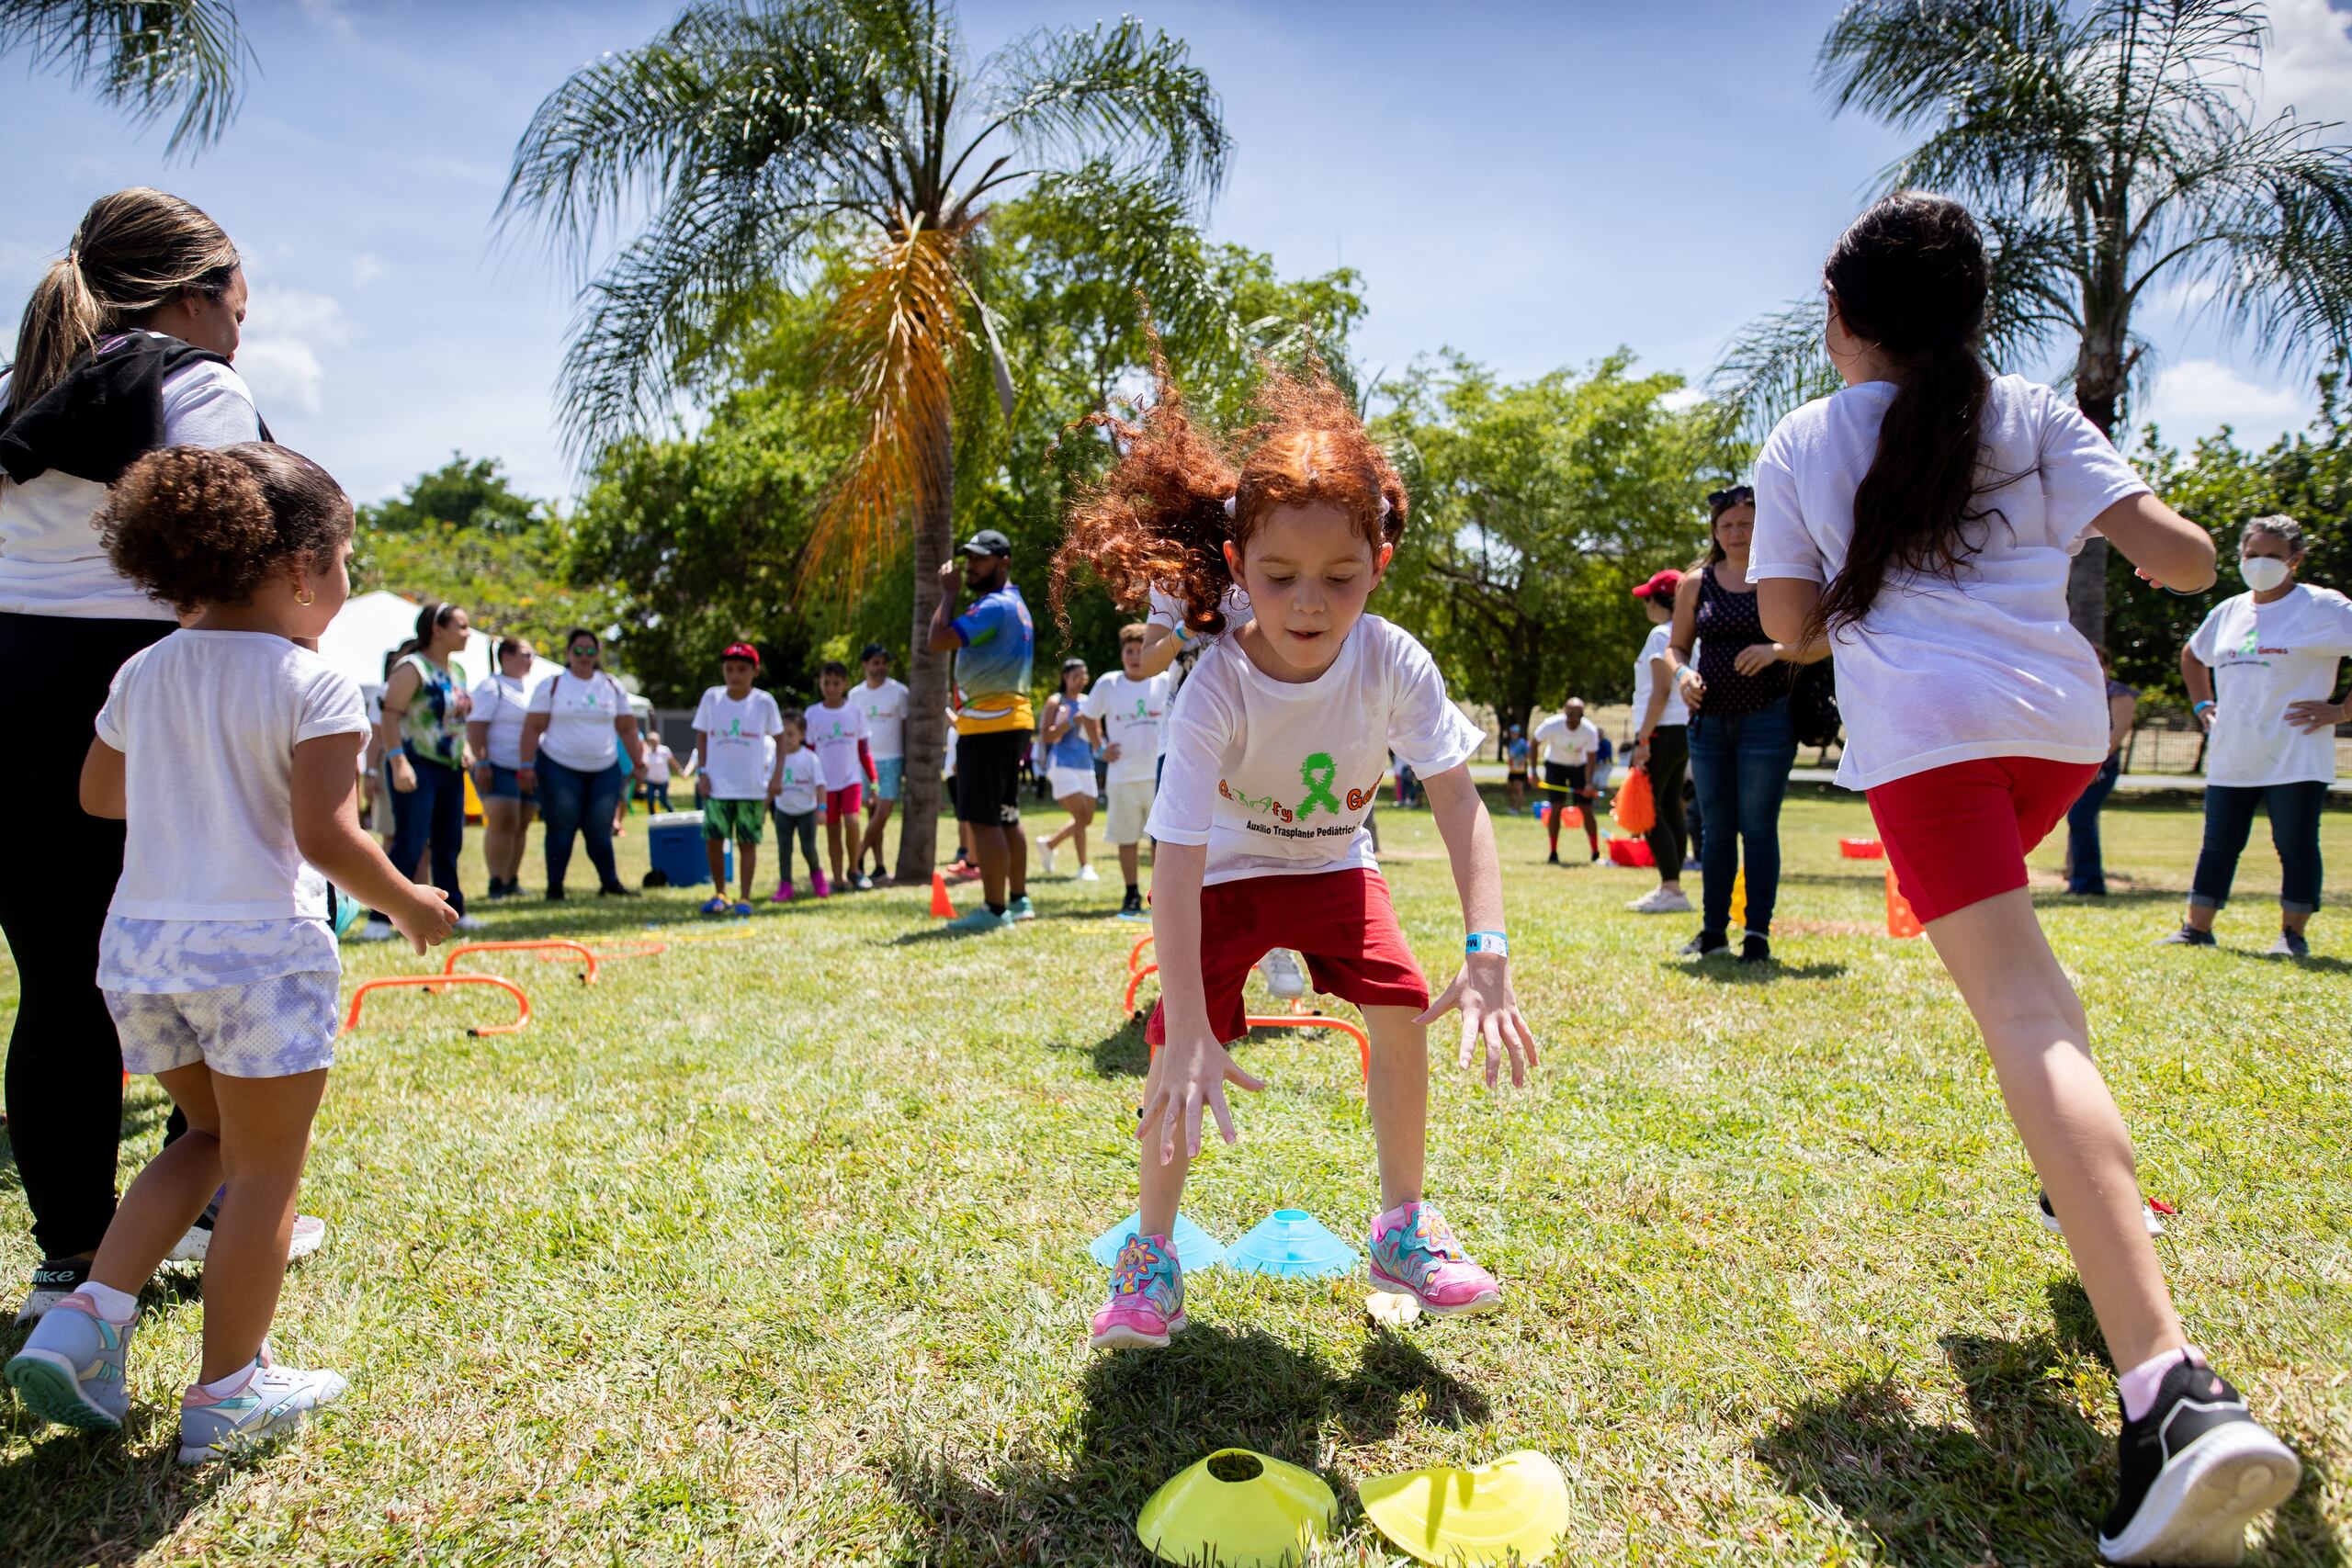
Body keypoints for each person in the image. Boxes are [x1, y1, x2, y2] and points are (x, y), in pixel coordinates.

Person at [1749, 190, 2299, 1562]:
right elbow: (2177, 558)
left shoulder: (1809, 436)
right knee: (2040, 995)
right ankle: (2083, 1185)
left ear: (1845, 322)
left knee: (2028, 1015)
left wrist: (1859, 590)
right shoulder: (2038, 410)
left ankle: (2170, 1389)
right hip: (2057, 739)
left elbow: (1790, 625)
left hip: (1931, 747)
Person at [1053, 343, 1538, 1351]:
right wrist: (1187, 1022)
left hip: (1330, 864)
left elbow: (1460, 803)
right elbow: (1177, 865)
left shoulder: (1394, 661)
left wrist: (1486, 951)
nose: (1309, 603)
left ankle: (1401, 1228)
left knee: (1399, 1006)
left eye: (1339, 576)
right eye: (1278, 576)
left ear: (1380, 566)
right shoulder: (1216, 688)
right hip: (1228, 869)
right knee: (1172, 1054)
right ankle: (1151, 1262)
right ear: (1234, 571)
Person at [3, 443, 458, 1459]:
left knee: (204, 1140)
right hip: (256, 955)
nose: (342, 586)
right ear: (299, 568)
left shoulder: (144, 670)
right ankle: (227, 1394)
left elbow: (97, 796)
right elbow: (328, 838)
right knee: (262, 1175)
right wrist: (413, 905)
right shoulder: (315, 683)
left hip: (142, 956)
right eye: (342, 561)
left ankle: (87, 1318)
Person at [0, 188, 342, 1320]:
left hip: (7, 688)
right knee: (204, 938)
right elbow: (239, 538)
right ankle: (224, 1175)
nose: (241, 332)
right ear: (193, 297)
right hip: (123, 682)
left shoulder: (22, 394)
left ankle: (71, 1257)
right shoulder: (196, 383)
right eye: (238, 308)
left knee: (56, 978)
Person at [2163, 514, 2351, 958]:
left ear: (2296, 560)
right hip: (2234, 750)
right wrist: (2202, 706)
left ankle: (2292, 936)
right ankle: (2197, 929)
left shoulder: (2323, 607)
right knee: (2219, 843)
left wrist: (2341, 710)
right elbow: (2192, 655)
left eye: (2272, 556)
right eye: (2252, 555)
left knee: (2296, 844)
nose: (2260, 564)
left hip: (2296, 750)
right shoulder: (2228, 610)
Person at [1666, 483, 1830, 963]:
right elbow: (1676, 646)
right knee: (1716, 829)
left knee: (1758, 828)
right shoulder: (1696, 583)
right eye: (1728, 525)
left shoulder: (1783, 579)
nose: (1736, 533)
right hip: (1709, 723)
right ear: (1716, 532)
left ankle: (1756, 933)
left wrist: (1776, 650)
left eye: (1746, 524)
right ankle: (1712, 932)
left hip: (1768, 721)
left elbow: (1826, 641)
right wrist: (1682, 674)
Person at [926, 529, 1036, 931]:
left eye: (980, 559)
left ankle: (994, 910)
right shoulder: (1016, 604)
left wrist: (948, 594)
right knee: (1007, 813)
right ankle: (1018, 899)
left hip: (988, 725)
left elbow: (938, 640)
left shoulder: (993, 607)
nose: (970, 565)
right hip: (1011, 721)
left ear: (1003, 561)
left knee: (984, 820)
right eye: (968, 557)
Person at [370, 601, 479, 938]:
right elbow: (390, 715)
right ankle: (380, 918)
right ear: (438, 629)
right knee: (410, 841)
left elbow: (456, 720)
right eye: (461, 626)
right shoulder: (412, 667)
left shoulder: (456, 672)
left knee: (449, 843)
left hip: (449, 768)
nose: (467, 632)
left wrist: (467, 748)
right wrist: (398, 760)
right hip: (416, 764)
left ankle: (453, 912)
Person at [520, 627, 647, 899]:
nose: (585, 656)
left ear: (598, 654)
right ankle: (555, 887)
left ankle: (610, 883)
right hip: (558, 766)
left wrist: (638, 761)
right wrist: (526, 765)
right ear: (568, 653)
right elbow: (533, 727)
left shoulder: (611, 685)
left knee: (600, 829)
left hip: (604, 768)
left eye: (591, 650)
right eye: (578, 650)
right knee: (561, 827)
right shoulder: (553, 684)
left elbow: (627, 728)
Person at [1083, 625, 1178, 919]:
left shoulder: (1163, 682)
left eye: (1140, 651)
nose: (1135, 657)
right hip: (1122, 776)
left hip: (1159, 776)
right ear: (1122, 653)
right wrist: (1100, 749)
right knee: (1126, 838)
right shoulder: (1109, 684)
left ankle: (1158, 897)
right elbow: (1088, 717)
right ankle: (1131, 893)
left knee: (1160, 841)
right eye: (1129, 651)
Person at [691, 642, 783, 917]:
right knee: (714, 840)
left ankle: (744, 896)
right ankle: (720, 893)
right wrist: (702, 773)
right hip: (718, 785)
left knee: (747, 843)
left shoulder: (764, 702)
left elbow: (780, 740)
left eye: (742, 669)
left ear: (755, 671)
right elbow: (702, 735)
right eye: (729, 669)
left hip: (751, 787)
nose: (735, 675)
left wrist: (776, 778)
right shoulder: (712, 698)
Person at [1624, 569, 1693, 913]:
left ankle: (1671, 889)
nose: (1645, 606)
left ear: (1660, 601)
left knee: (1649, 810)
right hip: (1682, 730)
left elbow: (1660, 692)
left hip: (1662, 730)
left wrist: (1643, 738)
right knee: (1668, 807)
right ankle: (1673, 886)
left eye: (1648, 598)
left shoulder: (1659, 635)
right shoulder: (1687, 635)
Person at [467, 637, 541, 899]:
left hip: (525, 766)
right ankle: (496, 881)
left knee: (521, 822)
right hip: (496, 764)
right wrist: (483, 762)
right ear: (506, 656)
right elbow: (476, 726)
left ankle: (511, 879)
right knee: (503, 820)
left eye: (531, 655)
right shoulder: (491, 687)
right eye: (525, 653)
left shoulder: (529, 689)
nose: (530, 659)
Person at [2064, 644, 2140, 897]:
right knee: (2079, 820)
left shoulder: (2119, 694)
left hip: (2100, 769)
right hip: (2077, 766)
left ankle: (2090, 883)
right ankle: (2079, 881)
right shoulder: (2074, 692)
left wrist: (2092, 763)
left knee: (2081, 819)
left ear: (2108, 666)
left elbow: (2117, 732)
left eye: (2099, 663)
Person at [807, 660, 877, 891]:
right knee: (833, 830)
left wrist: (873, 781)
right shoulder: (813, 714)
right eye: (826, 683)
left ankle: (855, 870)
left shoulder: (855, 713)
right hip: (825, 785)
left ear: (845, 684)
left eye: (836, 683)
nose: (831, 688)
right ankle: (837, 879)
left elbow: (863, 751)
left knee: (853, 821)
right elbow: (809, 753)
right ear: (820, 683)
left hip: (851, 780)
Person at [848, 643, 910, 880]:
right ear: (865, 665)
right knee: (872, 813)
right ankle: (880, 865)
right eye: (875, 663)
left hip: (892, 759)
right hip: (865, 762)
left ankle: (857, 858)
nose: (880, 667)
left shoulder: (899, 692)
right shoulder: (855, 695)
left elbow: (906, 728)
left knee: (883, 812)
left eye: (883, 663)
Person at [1036, 657, 1100, 881]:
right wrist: (1071, 721)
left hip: (1085, 764)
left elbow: (1096, 735)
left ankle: (1050, 844)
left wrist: (1103, 749)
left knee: (1087, 818)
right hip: (1062, 764)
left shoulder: (1089, 701)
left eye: (1084, 676)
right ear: (1065, 677)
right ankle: (1085, 866)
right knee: (1080, 815)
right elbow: (1046, 736)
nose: (1081, 681)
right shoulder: (1056, 701)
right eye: (1077, 676)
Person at [1532, 698, 1602, 864]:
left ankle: (1595, 852)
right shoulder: (1551, 724)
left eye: (1579, 715)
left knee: (1586, 808)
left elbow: (1591, 759)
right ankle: (1553, 852)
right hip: (1555, 766)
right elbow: (1534, 743)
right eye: (1570, 714)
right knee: (1556, 807)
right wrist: (1533, 772)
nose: (1574, 719)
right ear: (1565, 712)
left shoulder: (1589, 730)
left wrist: (1589, 783)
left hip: (1580, 767)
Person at [767, 710, 827, 901]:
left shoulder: (810, 758)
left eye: (790, 734)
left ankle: (818, 879)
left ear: (802, 735)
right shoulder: (775, 759)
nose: (786, 738)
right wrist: (761, 809)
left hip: (806, 812)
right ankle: (785, 886)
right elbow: (770, 786)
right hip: (783, 812)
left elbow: (820, 786)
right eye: (782, 734)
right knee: (784, 849)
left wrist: (821, 809)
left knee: (808, 848)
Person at [642, 730, 676, 812]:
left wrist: (679, 771)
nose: (654, 743)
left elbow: (673, 762)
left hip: (663, 780)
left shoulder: (664, 750)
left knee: (663, 800)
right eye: (652, 741)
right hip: (651, 780)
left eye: (655, 741)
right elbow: (645, 766)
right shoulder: (646, 752)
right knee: (650, 799)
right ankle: (653, 817)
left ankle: (671, 811)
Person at [1504, 726, 1530, 814]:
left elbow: (1528, 754)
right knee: (1510, 789)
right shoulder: (1511, 743)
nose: (1512, 734)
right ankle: (1512, 807)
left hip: (1520, 771)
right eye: (1511, 733)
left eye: (1514, 733)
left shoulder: (1522, 743)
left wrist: (1522, 761)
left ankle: (1517, 809)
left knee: (1518, 789)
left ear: (1518, 733)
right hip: (1512, 770)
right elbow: (1511, 755)